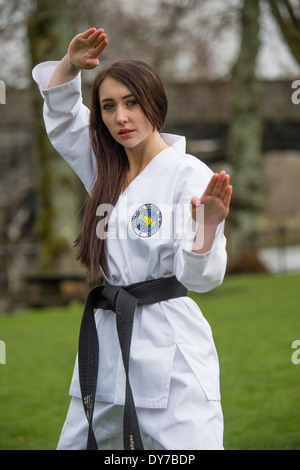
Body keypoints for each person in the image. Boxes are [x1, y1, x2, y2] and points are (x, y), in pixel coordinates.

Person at [32, 27, 232, 451]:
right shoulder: (104, 166)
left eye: (131, 103)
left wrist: (207, 227)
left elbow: (200, 280)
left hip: (170, 342)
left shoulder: (188, 174)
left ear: (154, 104)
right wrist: (70, 65)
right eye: (108, 107)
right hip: (107, 335)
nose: (120, 117)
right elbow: (63, 119)